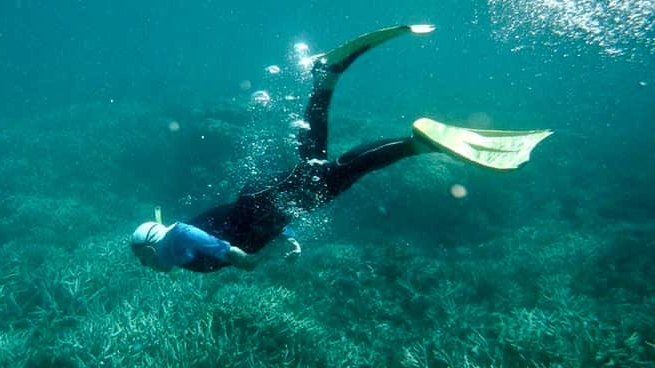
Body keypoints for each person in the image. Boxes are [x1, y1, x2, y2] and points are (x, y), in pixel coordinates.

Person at [130, 25, 552, 273]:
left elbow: (187, 231)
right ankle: (325, 76)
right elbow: (232, 231)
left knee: (331, 175)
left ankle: (415, 144)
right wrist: (285, 239)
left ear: (149, 248)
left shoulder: (172, 247)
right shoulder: (178, 254)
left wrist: (233, 254)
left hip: (263, 202)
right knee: (317, 164)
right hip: (268, 207)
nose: (148, 267)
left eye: (143, 260)